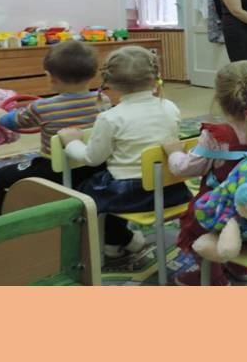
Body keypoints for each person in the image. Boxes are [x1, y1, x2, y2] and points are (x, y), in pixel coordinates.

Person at [58, 45, 192, 269]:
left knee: (87, 190)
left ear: (109, 83)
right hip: (171, 190)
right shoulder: (170, 107)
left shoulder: (110, 118)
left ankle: (109, 243)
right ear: (155, 76)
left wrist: (71, 142)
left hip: (129, 196)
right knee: (106, 184)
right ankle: (114, 243)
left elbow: (92, 158)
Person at [163, 60, 247, 285]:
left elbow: (184, 169)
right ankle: (241, 266)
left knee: (193, 224)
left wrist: (174, 153)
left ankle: (213, 278)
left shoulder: (217, 136)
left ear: (219, 98)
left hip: (222, 219)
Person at [0, 40, 104, 216]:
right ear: (93, 74)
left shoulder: (42, 107)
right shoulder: (103, 100)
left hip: (54, 170)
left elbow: (15, 122)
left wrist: (0, 116)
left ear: (51, 77)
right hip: (95, 167)